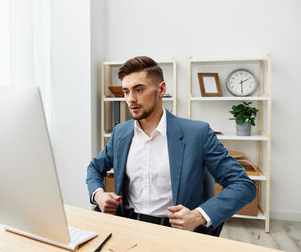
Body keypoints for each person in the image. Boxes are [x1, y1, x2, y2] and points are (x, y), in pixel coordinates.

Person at [86, 56, 256, 235]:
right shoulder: (121, 132)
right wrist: (99, 195)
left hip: (175, 233)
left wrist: (198, 216)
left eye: (139, 89)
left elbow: (243, 185)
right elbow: (94, 168)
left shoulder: (197, 133)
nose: (131, 99)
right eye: (126, 91)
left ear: (161, 89)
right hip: (127, 228)